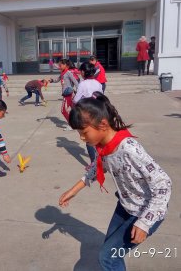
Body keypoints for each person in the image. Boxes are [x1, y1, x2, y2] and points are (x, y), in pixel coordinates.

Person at [59, 92, 172, 271]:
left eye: (84, 132)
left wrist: (144, 223)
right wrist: (74, 190)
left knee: (107, 257)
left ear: (103, 124)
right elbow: (98, 169)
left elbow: (163, 185)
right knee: (112, 253)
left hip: (145, 210)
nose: (81, 137)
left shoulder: (129, 149)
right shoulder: (103, 146)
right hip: (126, 205)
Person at [73, 62, 103, 164]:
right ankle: (101, 160)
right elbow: (101, 97)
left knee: (89, 139)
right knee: (98, 137)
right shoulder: (98, 83)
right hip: (98, 112)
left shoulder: (83, 84)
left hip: (87, 114)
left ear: (83, 72)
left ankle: (93, 163)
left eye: (80, 71)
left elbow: (76, 100)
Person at [50, 59, 79, 131]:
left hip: (68, 94)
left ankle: (71, 124)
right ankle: (77, 122)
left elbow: (76, 82)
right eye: (59, 65)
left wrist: (79, 92)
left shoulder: (69, 73)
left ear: (66, 65)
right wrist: (52, 81)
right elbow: (57, 80)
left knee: (63, 110)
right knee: (74, 109)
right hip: (66, 93)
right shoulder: (62, 72)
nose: (60, 66)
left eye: (61, 65)